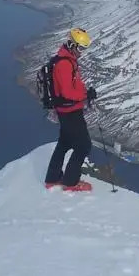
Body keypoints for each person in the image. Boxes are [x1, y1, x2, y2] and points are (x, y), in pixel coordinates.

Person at [44, 27, 98, 192]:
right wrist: (85, 95)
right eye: (80, 48)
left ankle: (52, 178)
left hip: (66, 110)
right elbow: (67, 93)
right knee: (83, 146)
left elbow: (72, 87)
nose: (82, 52)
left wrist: (84, 92)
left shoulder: (67, 60)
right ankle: (71, 182)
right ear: (72, 45)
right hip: (70, 112)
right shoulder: (65, 64)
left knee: (65, 142)